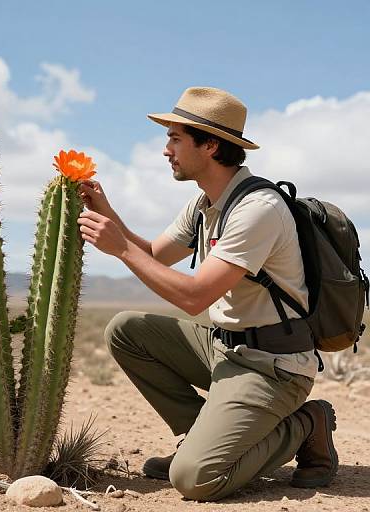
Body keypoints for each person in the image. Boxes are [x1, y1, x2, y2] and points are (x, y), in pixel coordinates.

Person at [76, 87, 338, 502]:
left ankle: (307, 423)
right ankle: (200, 437)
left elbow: (195, 297)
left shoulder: (258, 209)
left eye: (175, 138)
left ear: (210, 144)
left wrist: (118, 248)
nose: (166, 150)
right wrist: (106, 210)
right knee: (126, 329)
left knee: (195, 480)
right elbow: (154, 255)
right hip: (224, 351)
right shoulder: (204, 204)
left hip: (273, 367)